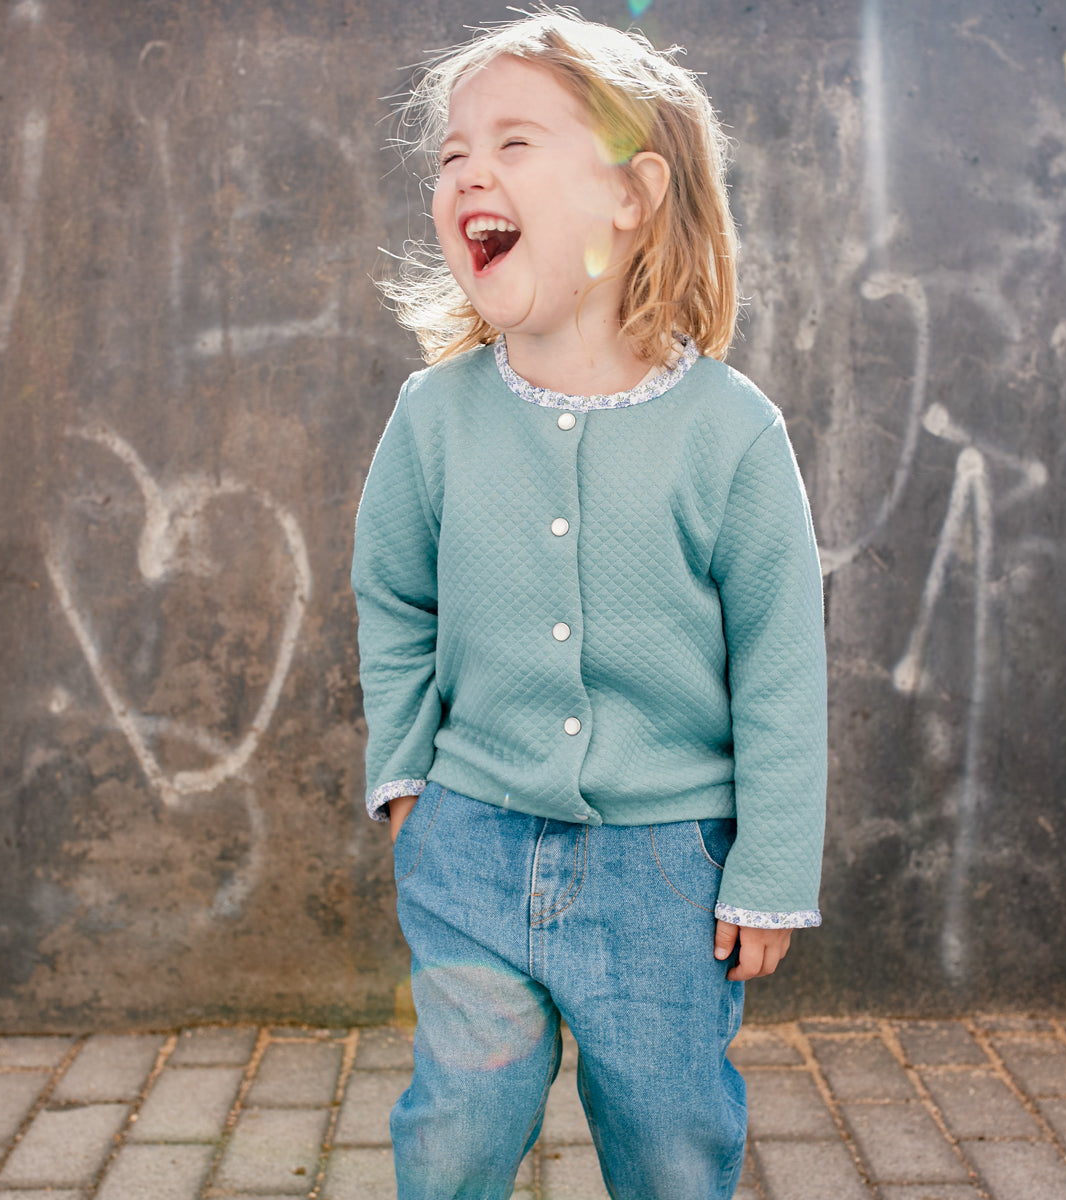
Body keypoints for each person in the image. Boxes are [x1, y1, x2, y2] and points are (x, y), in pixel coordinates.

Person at [351, 9, 827, 1198]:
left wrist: (769, 862)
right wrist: (406, 778)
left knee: (672, 1137)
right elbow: (393, 598)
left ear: (633, 196)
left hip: (670, 874)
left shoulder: (729, 432)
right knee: (457, 1123)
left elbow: (779, 661)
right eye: (453, 154)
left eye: (515, 144)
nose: (470, 173)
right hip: (468, 840)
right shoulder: (435, 416)